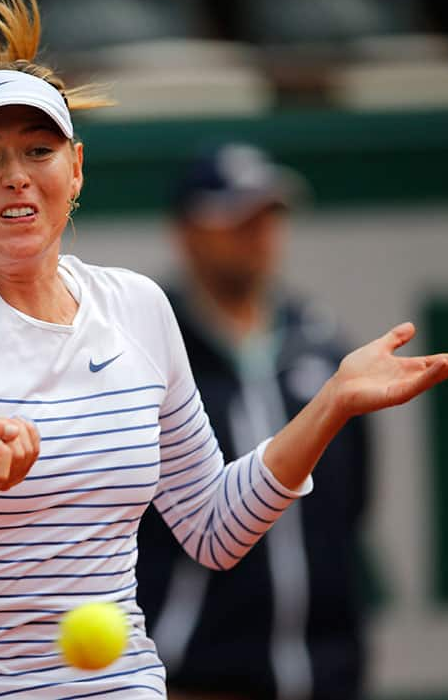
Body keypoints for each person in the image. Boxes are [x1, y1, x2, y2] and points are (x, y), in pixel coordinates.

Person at [0, 0, 448, 700]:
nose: (15, 177)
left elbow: (211, 524)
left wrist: (329, 404)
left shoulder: (137, 307)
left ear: (75, 170)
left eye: (39, 151)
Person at [135, 144, 370, 700]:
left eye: (268, 215)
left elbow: (352, 506)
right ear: (186, 231)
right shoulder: (142, 355)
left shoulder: (322, 347)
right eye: (235, 217)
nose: (257, 233)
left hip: (328, 677)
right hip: (191, 681)